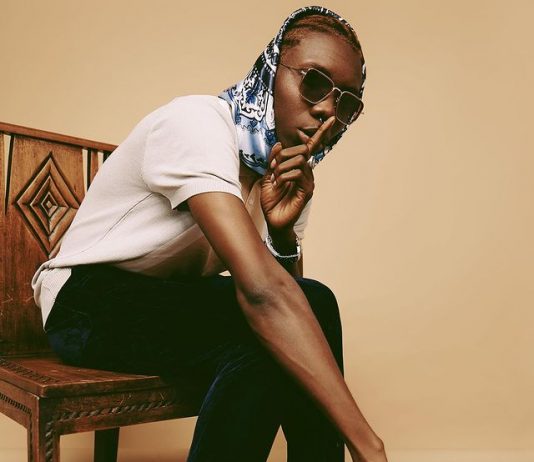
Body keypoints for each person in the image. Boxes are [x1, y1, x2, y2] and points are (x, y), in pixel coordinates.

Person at [31, 6, 389, 462]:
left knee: (299, 317)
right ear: (271, 71)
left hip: (168, 298)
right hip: (84, 301)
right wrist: (368, 444)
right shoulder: (195, 124)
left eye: (346, 103)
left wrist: (282, 238)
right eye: (314, 82)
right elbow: (264, 296)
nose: (326, 111)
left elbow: (290, 303)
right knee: (272, 329)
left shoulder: (286, 171)